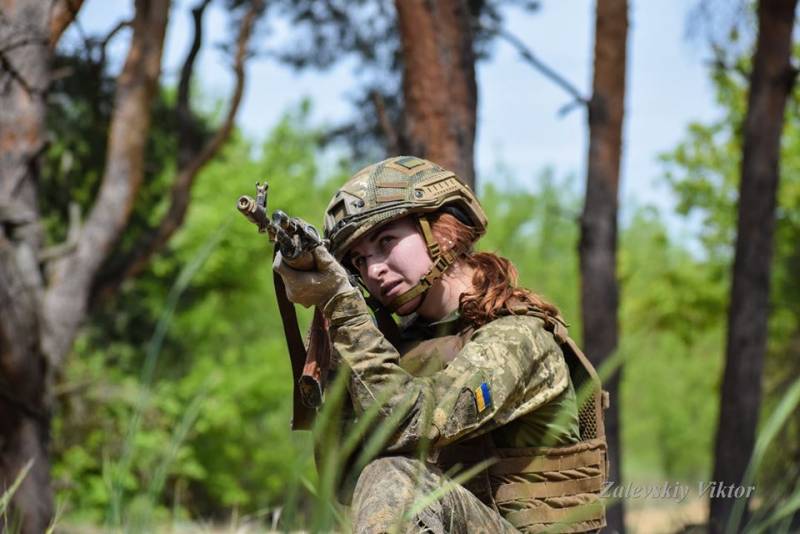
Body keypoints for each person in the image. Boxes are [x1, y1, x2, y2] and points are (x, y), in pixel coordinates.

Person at [274, 156, 608, 533]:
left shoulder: (518, 336)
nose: (374, 270)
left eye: (386, 242)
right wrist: (335, 341)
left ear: (443, 232)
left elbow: (416, 422)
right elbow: (346, 480)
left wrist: (346, 312)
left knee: (395, 477)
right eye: (359, 260)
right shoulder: (398, 347)